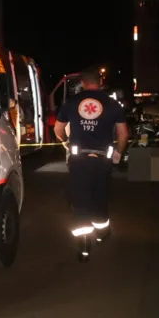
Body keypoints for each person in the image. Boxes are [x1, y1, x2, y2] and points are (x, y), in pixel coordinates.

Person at [54, 67, 129, 254]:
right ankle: (102, 234)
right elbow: (123, 134)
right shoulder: (112, 104)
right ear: (101, 82)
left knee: (79, 200)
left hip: (79, 160)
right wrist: (118, 152)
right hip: (103, 160)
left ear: (82, 83)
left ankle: (83, 245)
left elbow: (58, 129)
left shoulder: (71, 102)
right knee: (100, 197)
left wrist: (65, 142)